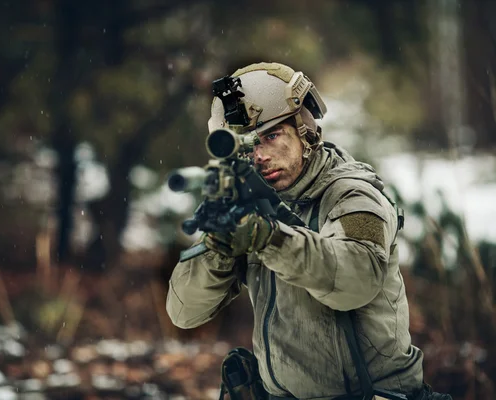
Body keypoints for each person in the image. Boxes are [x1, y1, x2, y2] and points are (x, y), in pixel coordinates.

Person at [166, 62, 451, 400]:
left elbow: (355, 281)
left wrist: (269, 239)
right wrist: (219, 247)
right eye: (249, 145)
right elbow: (184, 312)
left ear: (306, 130)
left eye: (271, 136)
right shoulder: (250, 201)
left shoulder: (353, 195)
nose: (260, 156)